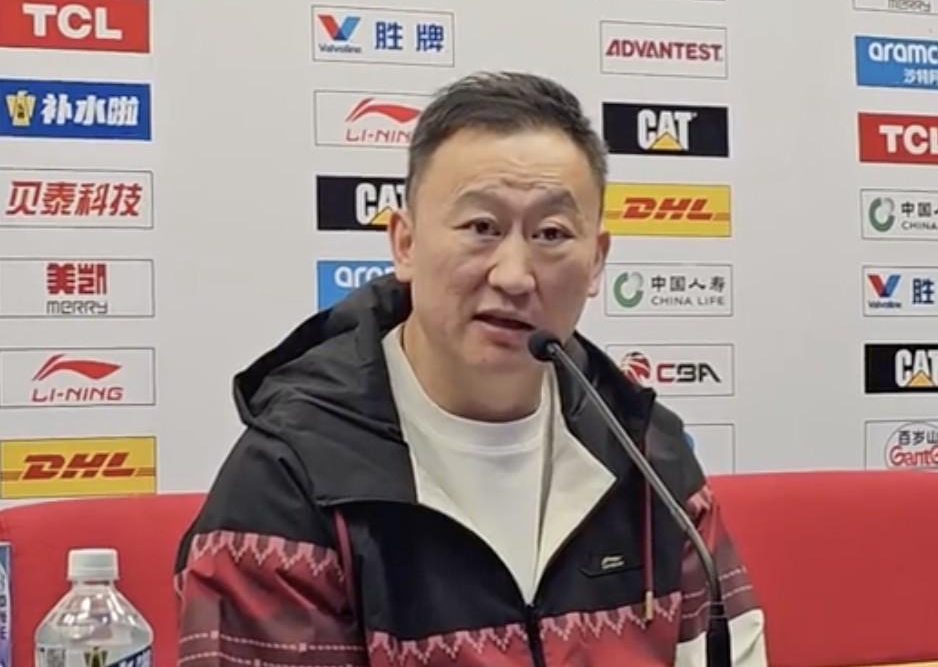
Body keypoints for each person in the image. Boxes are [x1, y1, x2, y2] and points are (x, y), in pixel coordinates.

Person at [175, 72, 767, 667]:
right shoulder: (289, 481)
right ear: (405, 244)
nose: (514, 275)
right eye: (482, 228)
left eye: (551, 234)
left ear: (596, 261)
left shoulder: (649, 457)